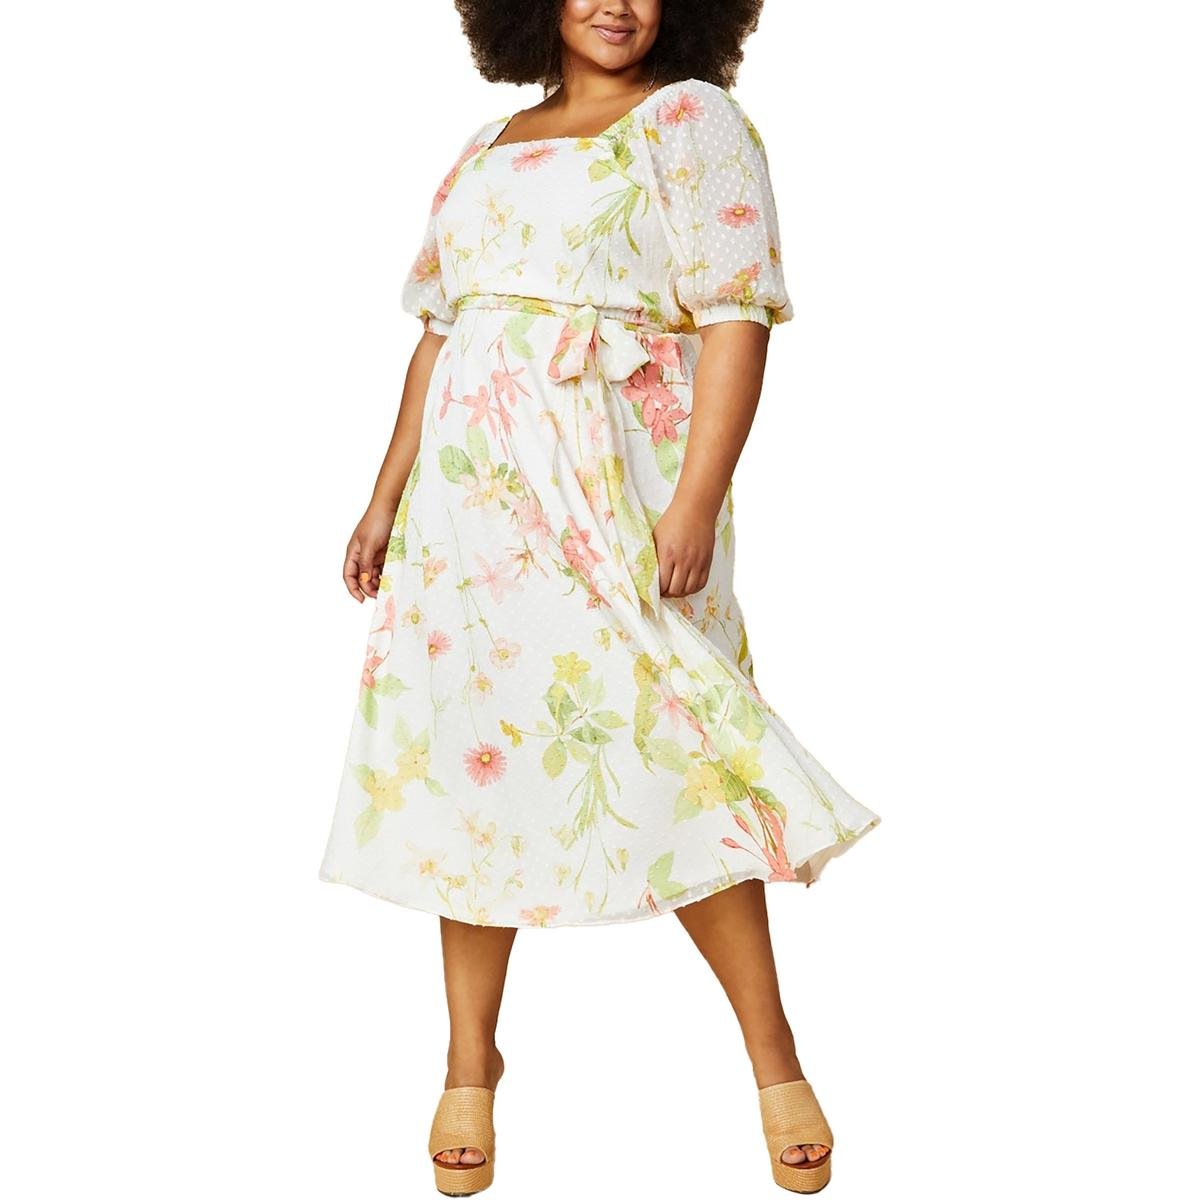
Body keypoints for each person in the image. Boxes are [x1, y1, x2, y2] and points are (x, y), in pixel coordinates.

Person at [319, 1, 881, 1192]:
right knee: (472, 762)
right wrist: (383, 500)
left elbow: (735, 318)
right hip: (469, 514)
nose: (616, 1)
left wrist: (694, 501)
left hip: (614, 485)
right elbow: (442, 337)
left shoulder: (693, 120)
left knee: (685, 746)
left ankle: (774, 1058)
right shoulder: (487, 145)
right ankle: (469, 1061)